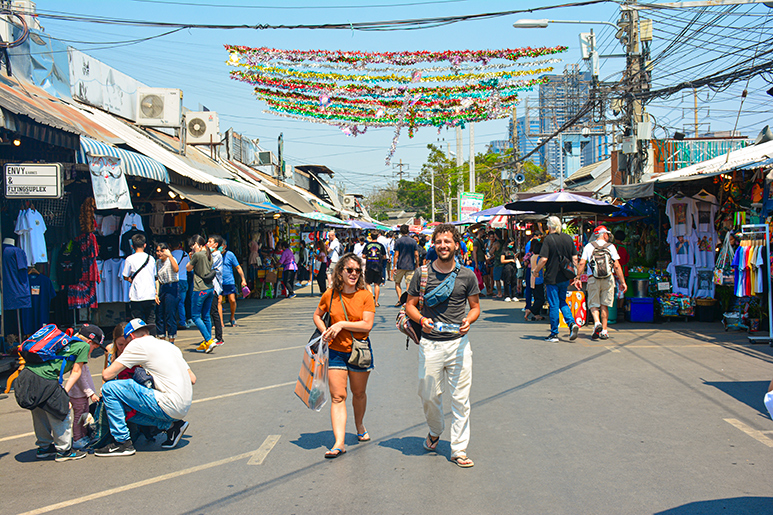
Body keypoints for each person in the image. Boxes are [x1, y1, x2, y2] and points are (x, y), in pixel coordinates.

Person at [405, 224, 481, 468]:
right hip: (430, 345)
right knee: (427, 394)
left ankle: (459, 449)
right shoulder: (422, 274)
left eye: (448, 241)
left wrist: (468, 321)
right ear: (433, 245)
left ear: (456, 245)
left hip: (458, 344)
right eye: (439, 242)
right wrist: (421, 319)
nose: (443, 246)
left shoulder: (467, 275)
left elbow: (475, 307)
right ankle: (436, 429)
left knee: (461, 399)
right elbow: (410, 306)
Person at [97, 319, 196, 457]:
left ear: (131, 337)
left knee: (110, 389)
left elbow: (107, 375)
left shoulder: (137, 344)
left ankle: (122, 442)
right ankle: (172, 427)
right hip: (183, 405)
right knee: (124, 403)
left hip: (168, 403)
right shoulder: (169, 346)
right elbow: (192, 379)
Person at [312, 253, 375, 459]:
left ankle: (359, 425)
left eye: (357, 271)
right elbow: (317, 315)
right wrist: (324, 331)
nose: (354, 274)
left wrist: (340, 324)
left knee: (359, 394)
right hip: (336, 351)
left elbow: (367, 324)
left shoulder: (365, 295)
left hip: (359, 350)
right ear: (340, 271)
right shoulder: (330, 294)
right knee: (338, 397)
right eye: (349, 270)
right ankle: (339, 442)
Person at [15, 323, 105, 462]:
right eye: (95, 346)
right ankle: (64, 451)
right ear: (89, 341)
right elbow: (76, 372)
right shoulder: (83, 346)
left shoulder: (64, 340)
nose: (92, 350)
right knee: (62, 411)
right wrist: (64, 392)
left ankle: (44, 447)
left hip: (26, 376)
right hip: (45, 379)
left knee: (40, 411)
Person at [532, 216, 581, 343]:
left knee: (553, 304)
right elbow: (575, 258)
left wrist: (536, 271)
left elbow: (543, 259)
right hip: (565, 276)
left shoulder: (548, 239)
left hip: (552, 277)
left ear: (549, 226)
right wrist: (577, 274)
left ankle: (554, 333)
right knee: (562, 301)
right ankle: (571, 323)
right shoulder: (568, 238)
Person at [574, 226, 628, 340]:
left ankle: (597, 322)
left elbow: (582, 263)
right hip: (608, 279)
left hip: (593, 278)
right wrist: (622, 282)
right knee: (604, 305)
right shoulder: (611, 247)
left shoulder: (589, 246)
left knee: (593, 304)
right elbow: (617, 265)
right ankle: (604, 330)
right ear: (605, 235)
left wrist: (578, 277)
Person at [187, 235, 217, 353]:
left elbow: (188, 268)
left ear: (197, 244)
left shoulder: (198, 255)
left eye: (193, 245)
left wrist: (192, 257)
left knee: (195, 316)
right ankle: (206, 343)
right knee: (205, 316)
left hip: (199, 288)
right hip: (209, 288)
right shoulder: (209, 254)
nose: (192, 248)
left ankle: (209, 340)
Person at [122, 233, 157, 332]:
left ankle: (139, 341)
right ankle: (152, 340)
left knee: (137, 322)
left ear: (132, 246)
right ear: (145, 245)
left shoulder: (129, 259)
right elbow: (154, 275)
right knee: (151, 320)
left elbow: (125, 275)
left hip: (136, 295)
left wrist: (129, 279)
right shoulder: (151, 259)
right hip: (150, 294)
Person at [154, 242, 179, 343]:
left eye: (162, 251)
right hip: (162, 287)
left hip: (172, 286)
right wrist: (156, 293)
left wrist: (170, 256)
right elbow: (156, 278)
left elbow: (176, 269)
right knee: (160, 314)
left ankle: (171, 339)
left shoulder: (171, 260)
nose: (159, 253)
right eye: (157, 251)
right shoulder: (157, 262)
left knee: (170, 313)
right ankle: (162, 339)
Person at [220, 240, 248, 326]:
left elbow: (238, 267)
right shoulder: (215, 255)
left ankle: (232, 317)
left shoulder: (230, 255)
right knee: (218, 301)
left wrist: (243, 279)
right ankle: (220, 322)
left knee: (232, 300)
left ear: (225, 246)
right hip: (218, 281)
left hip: (229, 281)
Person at [393, 225, 419, 306]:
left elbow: (396, 255)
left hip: (400, 265)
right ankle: (406, 300)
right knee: (409, 284)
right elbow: (416, 254)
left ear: (400, 231)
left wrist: (394, 266)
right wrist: (417, 264)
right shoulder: (413, 241)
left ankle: (400, 299)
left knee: (397, 282)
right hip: (410, 265)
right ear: (408, 231)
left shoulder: (398, 241)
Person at [207, 235, 225, 346]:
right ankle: (210, 336)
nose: (207, 244)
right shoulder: (211, 255)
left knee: (214, 312)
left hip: (214, 286)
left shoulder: (216, 255)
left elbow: (208, 264)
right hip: (209, 286)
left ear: (215, 244)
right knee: (209, 312)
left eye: (210, 242)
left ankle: (219, 337)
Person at [171, 241, 192, 329]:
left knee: (174, 303)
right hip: (184, 279)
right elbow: (189, 267)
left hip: (175, 280)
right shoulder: (185, 254)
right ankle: (182, 321)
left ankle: (178, 321)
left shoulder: (170, 255)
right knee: (181, 303)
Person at [363, 231, 387, 307]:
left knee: (367, 283)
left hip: (369, 266)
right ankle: (376, 302)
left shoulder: (367, 245)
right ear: (377, 236)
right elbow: (384, 256)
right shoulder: (381, 245)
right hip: (378, 266)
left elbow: (363, 255)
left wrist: (368, 257)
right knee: (377, 284)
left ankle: (371, 297)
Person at [527, 240, 546, 321]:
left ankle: (537, 315)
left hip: (532, 279)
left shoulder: (532, 256)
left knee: (536, 297)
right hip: (539, 279)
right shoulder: (540, 258)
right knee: (541, 299)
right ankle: (531, 309)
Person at [472, 229, 489, 297]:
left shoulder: (481, 241)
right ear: (479, 233)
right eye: (483, 232)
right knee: (478, 277)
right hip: (478, 261)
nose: (483, 233)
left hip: (482, 261)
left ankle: (486, 290)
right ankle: (478, 292)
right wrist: (476, 263)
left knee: (484, 276)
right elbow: (474, 252)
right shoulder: (476, 242)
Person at [489, 231, 504, 298]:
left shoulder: (496, 243)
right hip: (505, 262)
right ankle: (505, 292)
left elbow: (490, 252)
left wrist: (491, 244)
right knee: (505, 279)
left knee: (497, 279)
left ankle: (499, 293)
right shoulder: (504, 242)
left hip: (498, 263)